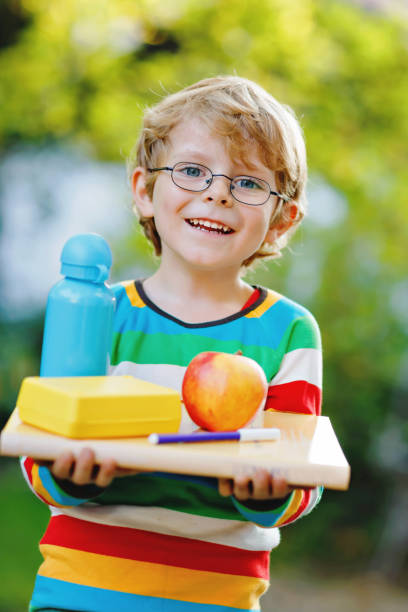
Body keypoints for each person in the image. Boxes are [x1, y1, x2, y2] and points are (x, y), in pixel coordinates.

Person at [22, 75, 323, 612]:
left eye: (249, 183)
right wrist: (66, 476)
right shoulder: (97, 313)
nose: (217, 192)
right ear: (144, 190)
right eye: (191, 170)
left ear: (282, 222)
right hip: (80, 589)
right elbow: (40, 448)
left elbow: (303, 472)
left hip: (217, 598)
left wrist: (273, 492)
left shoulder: (288, 332)